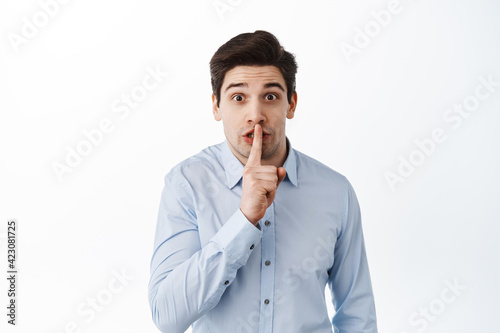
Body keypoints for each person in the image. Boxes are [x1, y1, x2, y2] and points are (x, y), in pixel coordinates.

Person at [148, 30, 377, 333]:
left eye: (270, 96)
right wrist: (244, 221)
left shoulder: (335, 191)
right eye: (238, 97)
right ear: (216, 106)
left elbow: (357, 315)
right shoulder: (187, 184)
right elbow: (168, 316)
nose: (255, 115)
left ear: (291, 104)